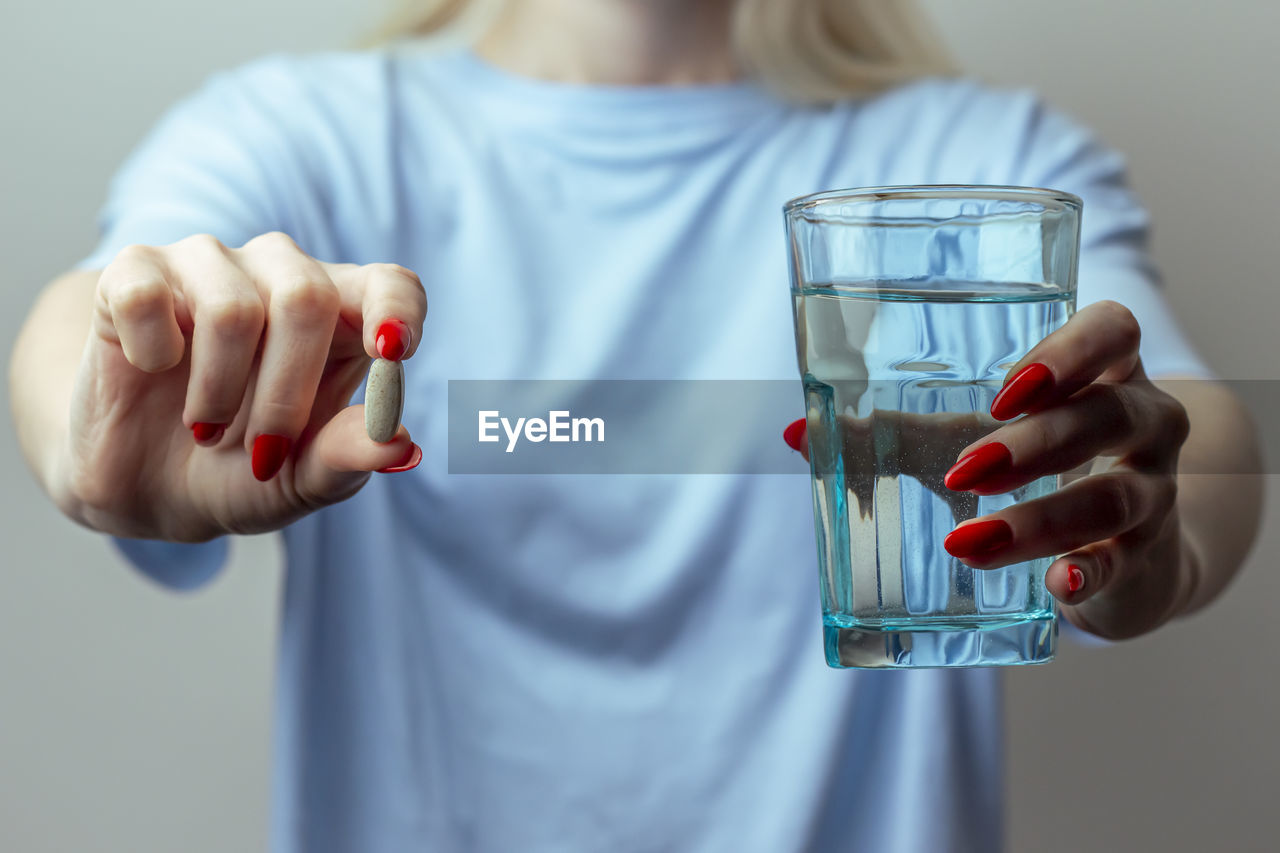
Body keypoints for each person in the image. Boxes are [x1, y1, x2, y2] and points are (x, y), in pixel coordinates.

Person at [8, 0, 1263, 850]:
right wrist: (92, 432)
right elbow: (104, 301)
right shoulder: (306, 136)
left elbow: (1196, 428)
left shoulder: (979, 151)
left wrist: (1145, 525)